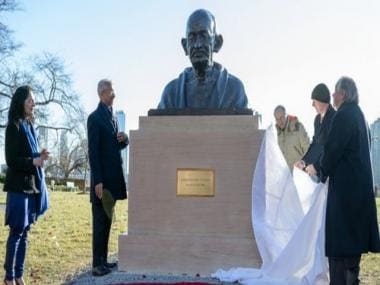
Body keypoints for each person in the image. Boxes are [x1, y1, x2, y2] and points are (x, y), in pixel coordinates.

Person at [306, 77, 380, 284]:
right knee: (352, 253)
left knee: (340, 252)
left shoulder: (343, 115)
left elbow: (332, 150)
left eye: (335, 92)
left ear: (343, 94)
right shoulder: (359, 115)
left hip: (345, 196)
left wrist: (318, 169)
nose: (332, 95)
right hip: (358, 193)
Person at [3, 86, 49, 285]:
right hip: (17, 188)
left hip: (31, 187)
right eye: (30, 100)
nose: (34, 103)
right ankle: (9, 277)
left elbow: (31, 157)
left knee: (26, 232)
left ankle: (19, 275)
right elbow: (12, 160)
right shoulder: (13, 126)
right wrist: (33, 161)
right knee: (16, 232)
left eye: (34, 100)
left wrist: (40, 156)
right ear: (21, 101)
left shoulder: (30, 127)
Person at [158, 9, 248, 109]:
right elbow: (156, 124)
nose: (197, 45)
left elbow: (247, 124)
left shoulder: (234, 90)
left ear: (217, 43)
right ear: (185, 45)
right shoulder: (171, 93)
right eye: (192, 38)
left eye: (204, 36)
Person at [87, 79, 128, 276]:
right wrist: (98, 181)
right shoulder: (94, 118)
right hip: (102, 182)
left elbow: (113, 147)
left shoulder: (112, 116)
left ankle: (103, 260)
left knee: (108, 220)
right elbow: (93, 152)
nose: (114, 94)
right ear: (102, 93)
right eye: (112, 91)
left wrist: (124, 140)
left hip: (113, 181)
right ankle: (96, 265)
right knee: (100, 223)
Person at [294, 83, 336, 173]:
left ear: (322, 101)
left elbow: (331, 149)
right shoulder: (317, 120)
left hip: (333, 172)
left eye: (314, 101)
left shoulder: (335, 118)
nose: (312, 105)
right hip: (320, 173)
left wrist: (317, 166)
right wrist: (304, 161)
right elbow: (315, 145)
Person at [273, 105, 310, 169]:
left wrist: (305, 166)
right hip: (284, 174)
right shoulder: (274, 133)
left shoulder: (298, 128)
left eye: (281, 117)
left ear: (286, 115)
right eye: (277, 119)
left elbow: (308, 149)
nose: (280, 121)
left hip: (298, 172)